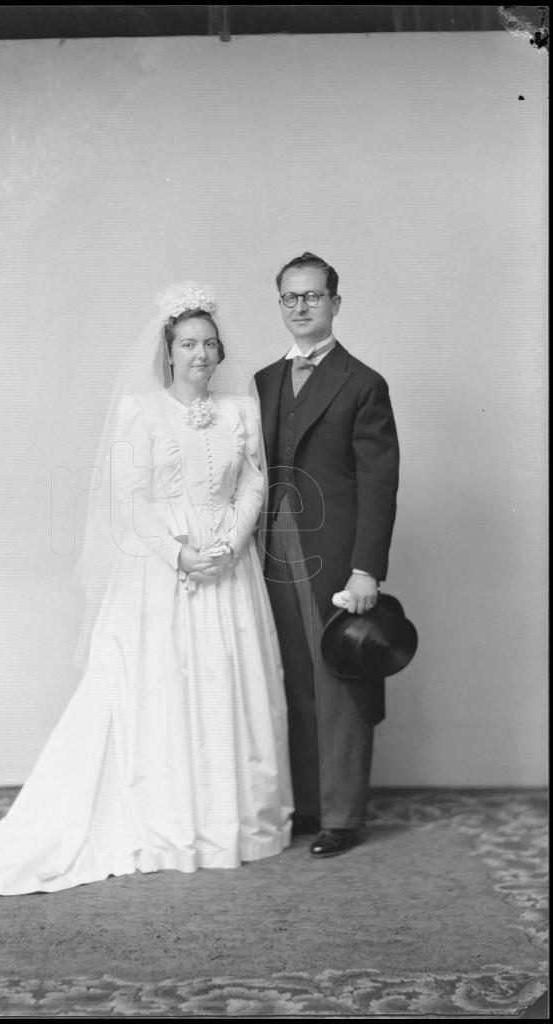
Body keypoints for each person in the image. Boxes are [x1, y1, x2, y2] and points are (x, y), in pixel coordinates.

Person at [0, 282, 293, 895]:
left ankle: (232, 824)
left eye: (210, 343)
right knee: (164, 685)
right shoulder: (140, 411)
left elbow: (255, 479)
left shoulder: (240, 410)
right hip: (162, 571)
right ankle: (171, 822)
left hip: (228, 564)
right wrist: (181, 555)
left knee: (229, 683)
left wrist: (231, 543)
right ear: (169, 351)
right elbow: (129, 500)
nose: (201, 354)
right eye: (188, 344)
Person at [253, 252, 399, 858]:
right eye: (290, 297)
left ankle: (341, 816)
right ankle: (307, 805)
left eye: (313, 296)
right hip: (269, 549)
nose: (301, 307)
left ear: (335, 303)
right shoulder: (262, 381)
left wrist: (367, 568)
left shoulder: (362, 382)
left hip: (335, 556)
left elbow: (379, 482)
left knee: (338, 675)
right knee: (288, 674)